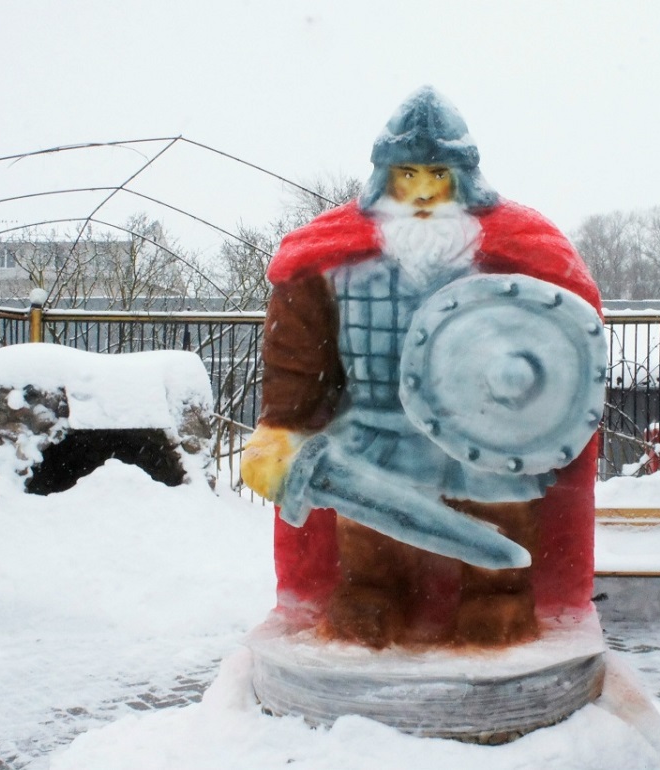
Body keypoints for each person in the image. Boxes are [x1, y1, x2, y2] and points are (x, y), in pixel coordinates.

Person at [241, 86, 601, 648]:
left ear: (464, 178)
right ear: (384, 178)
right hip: (375, 429)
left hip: (486, 432)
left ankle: (497, 598)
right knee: (368, 535)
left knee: (502, 514)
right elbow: (300, 354)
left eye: (438, 173)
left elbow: (554, 345)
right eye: (407, 174)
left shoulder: (506, 259)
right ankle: (372, 596)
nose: (424, 191)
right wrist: (281, 425)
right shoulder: (334, 265)